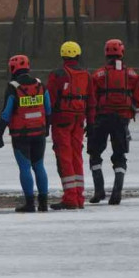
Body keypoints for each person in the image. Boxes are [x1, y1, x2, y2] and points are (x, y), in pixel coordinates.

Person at [87, 38, 139, 205]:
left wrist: (90, 119)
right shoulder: (132, 75)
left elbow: (91, 98)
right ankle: (117, 192)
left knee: (95, 153)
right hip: (122, 120)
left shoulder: (98, 75)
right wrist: (130, 110)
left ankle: (98, 192)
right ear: (122, 53)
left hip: (101, 118)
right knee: (119, 155)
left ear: (106, 53)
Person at [0, 54, 51, 212]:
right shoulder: (40, 85)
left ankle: (29, 204)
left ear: (12, 69)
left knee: (25, 167)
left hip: (21, 135)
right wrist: (48, 129)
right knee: (39, 166)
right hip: (39, 133)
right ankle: (44, 202)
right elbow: (48, 109)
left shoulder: (13, 87)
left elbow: (6, 113)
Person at [46, 40, 93, 210]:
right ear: (78, 55)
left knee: (65, 158)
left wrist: (46, 122)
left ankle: (70, 198)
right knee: (76, 157)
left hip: (61, 121)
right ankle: (79, 197)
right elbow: (92, 101)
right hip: (79, 121)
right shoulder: (87, 75)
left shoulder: (57, 74)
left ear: (63, 55)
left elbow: (49, 100)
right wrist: (91, 122)